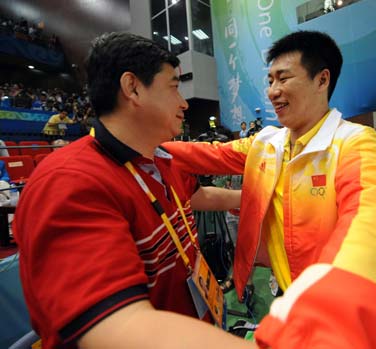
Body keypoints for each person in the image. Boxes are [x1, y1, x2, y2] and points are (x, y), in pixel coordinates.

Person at [163, 30, 376, 347]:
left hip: (342, 310)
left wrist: (322, 301)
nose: (272, 91)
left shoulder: (353, 142)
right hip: (293, 296)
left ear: (322, 80)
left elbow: (367, 219)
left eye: (283, 78)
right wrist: (137, 142)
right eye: (269, 81)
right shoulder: (267, 142)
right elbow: (207, 154)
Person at [14, 32, 252, 349]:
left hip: (192, 323)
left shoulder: (160, 157)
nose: (183, 103)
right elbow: (117, 326)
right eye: (174, 87)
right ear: (133, 88)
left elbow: (195, 197)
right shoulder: (69, 182)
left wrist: (255, 199)